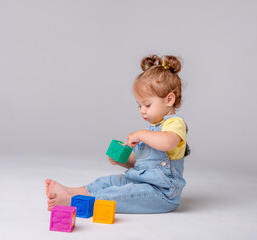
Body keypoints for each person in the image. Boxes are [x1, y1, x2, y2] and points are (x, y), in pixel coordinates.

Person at [45, 55, 190, 213]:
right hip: (139, 181)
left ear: (169, 100)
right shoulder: (151, 131)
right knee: (108, 182)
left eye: (147, 105)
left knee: (120, 194)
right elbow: (140, 164)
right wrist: (122, 160)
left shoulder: (175, 124)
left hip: (161, 194)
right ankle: (72, 191)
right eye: (139, 106)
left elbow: (168, 142)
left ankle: (73, 201)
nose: (142, 111)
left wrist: (141, 135)